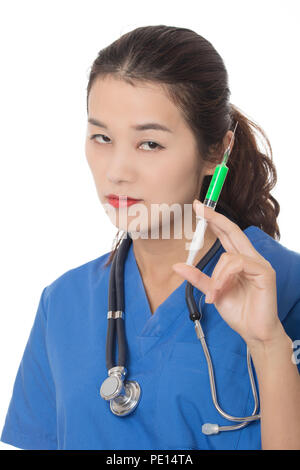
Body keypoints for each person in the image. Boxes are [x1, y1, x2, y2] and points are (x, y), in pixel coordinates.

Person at [1, 25, 300, 451]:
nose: (117, 170)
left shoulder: (288, 287)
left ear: (216, 152)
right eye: (102, 137)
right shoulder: (63, 304)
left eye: (150, 144)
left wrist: (270, 347)